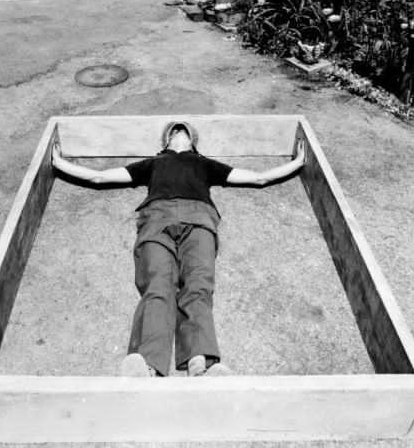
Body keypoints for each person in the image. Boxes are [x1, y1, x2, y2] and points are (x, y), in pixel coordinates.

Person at [51, 121, 305, 377]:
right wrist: (59, 162)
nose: (180, 131)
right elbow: (99, 176)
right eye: (174, 130)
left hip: (199, 219)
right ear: (166, 141)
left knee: (198, 286)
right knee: (158, 286)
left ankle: (201, 364)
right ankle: (148, 367)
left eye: (184, 130)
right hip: (157, 219)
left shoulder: (204, 163)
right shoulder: (153, 163)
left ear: (193, 141)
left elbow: (259, 177)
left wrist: (298, 162)